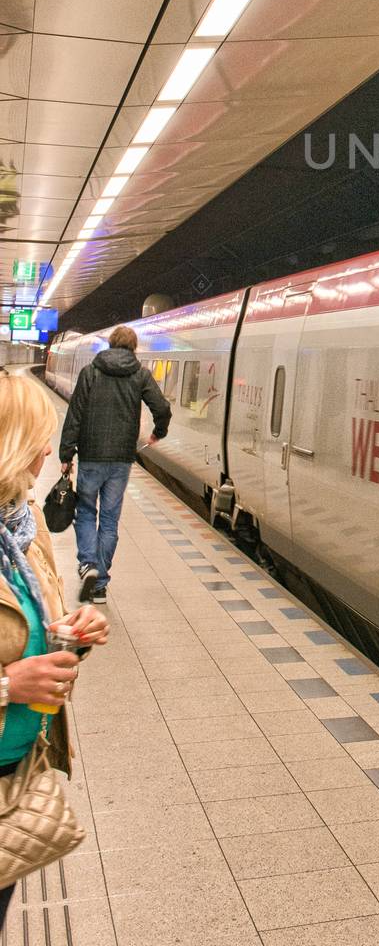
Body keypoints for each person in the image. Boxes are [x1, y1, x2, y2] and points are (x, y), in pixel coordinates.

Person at [0, 375, 108, 925]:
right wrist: (7, 686)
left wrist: (73, 630)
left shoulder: (23, 522)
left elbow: (33, 624)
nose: (49, 449)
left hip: (15, 774)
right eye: (39, 437)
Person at [58, 327, 171, 605]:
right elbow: (162, 408)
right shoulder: (140, 374)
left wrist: (66, 454)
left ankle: (88, 565)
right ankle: (100, 586)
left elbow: (75, 414)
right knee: (109, 520)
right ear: (134, 348)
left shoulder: (90, 372)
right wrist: (159, 431)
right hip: (121, 459)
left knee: (85, 512)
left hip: (91, 455)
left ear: (110, 345)